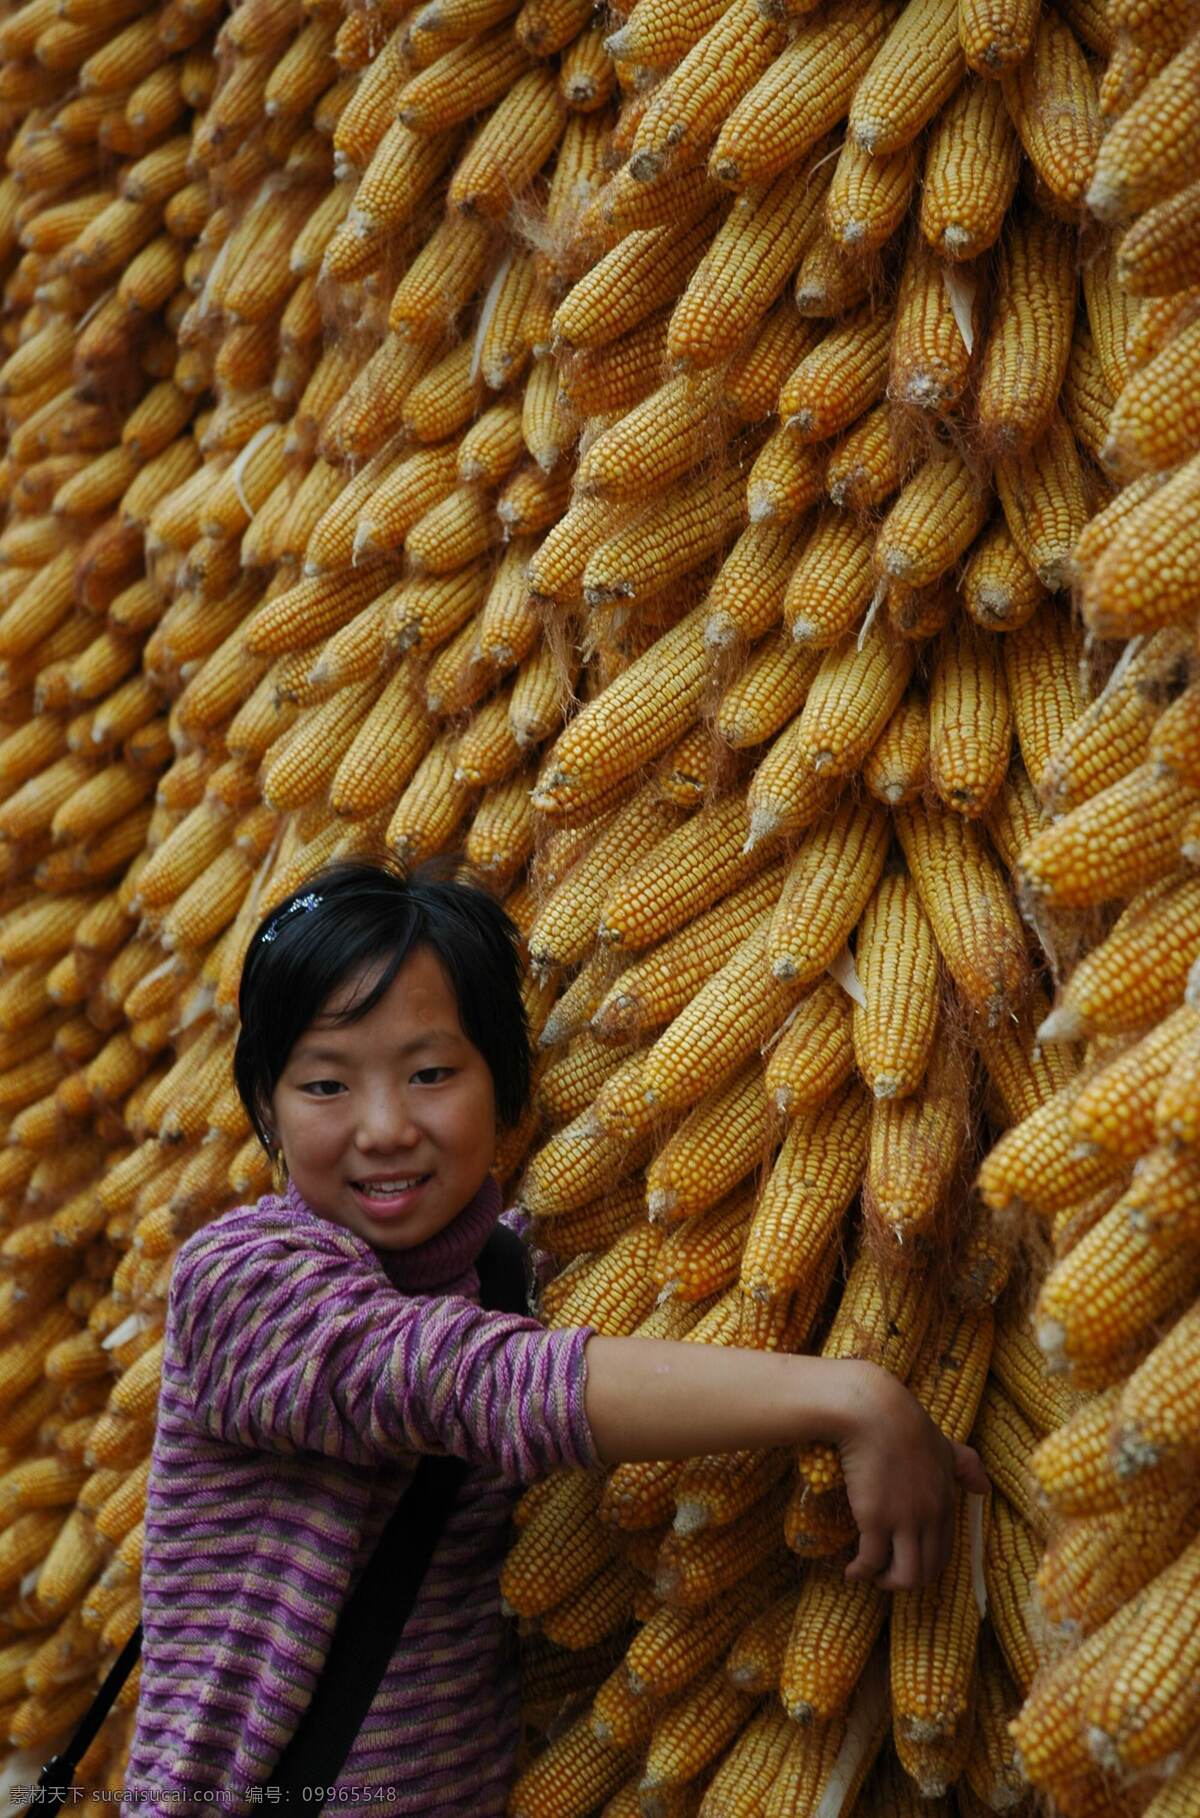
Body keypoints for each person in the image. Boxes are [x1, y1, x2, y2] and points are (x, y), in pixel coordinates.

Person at [126, 856, 987, 1815]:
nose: (383, 1127)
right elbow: (466, 1383)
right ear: (268, 1111)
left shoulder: (511, 1273)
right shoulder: (244, 1280)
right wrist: (852, 1396)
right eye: (326, 1086)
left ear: (507, 1094)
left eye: (429, 1074)